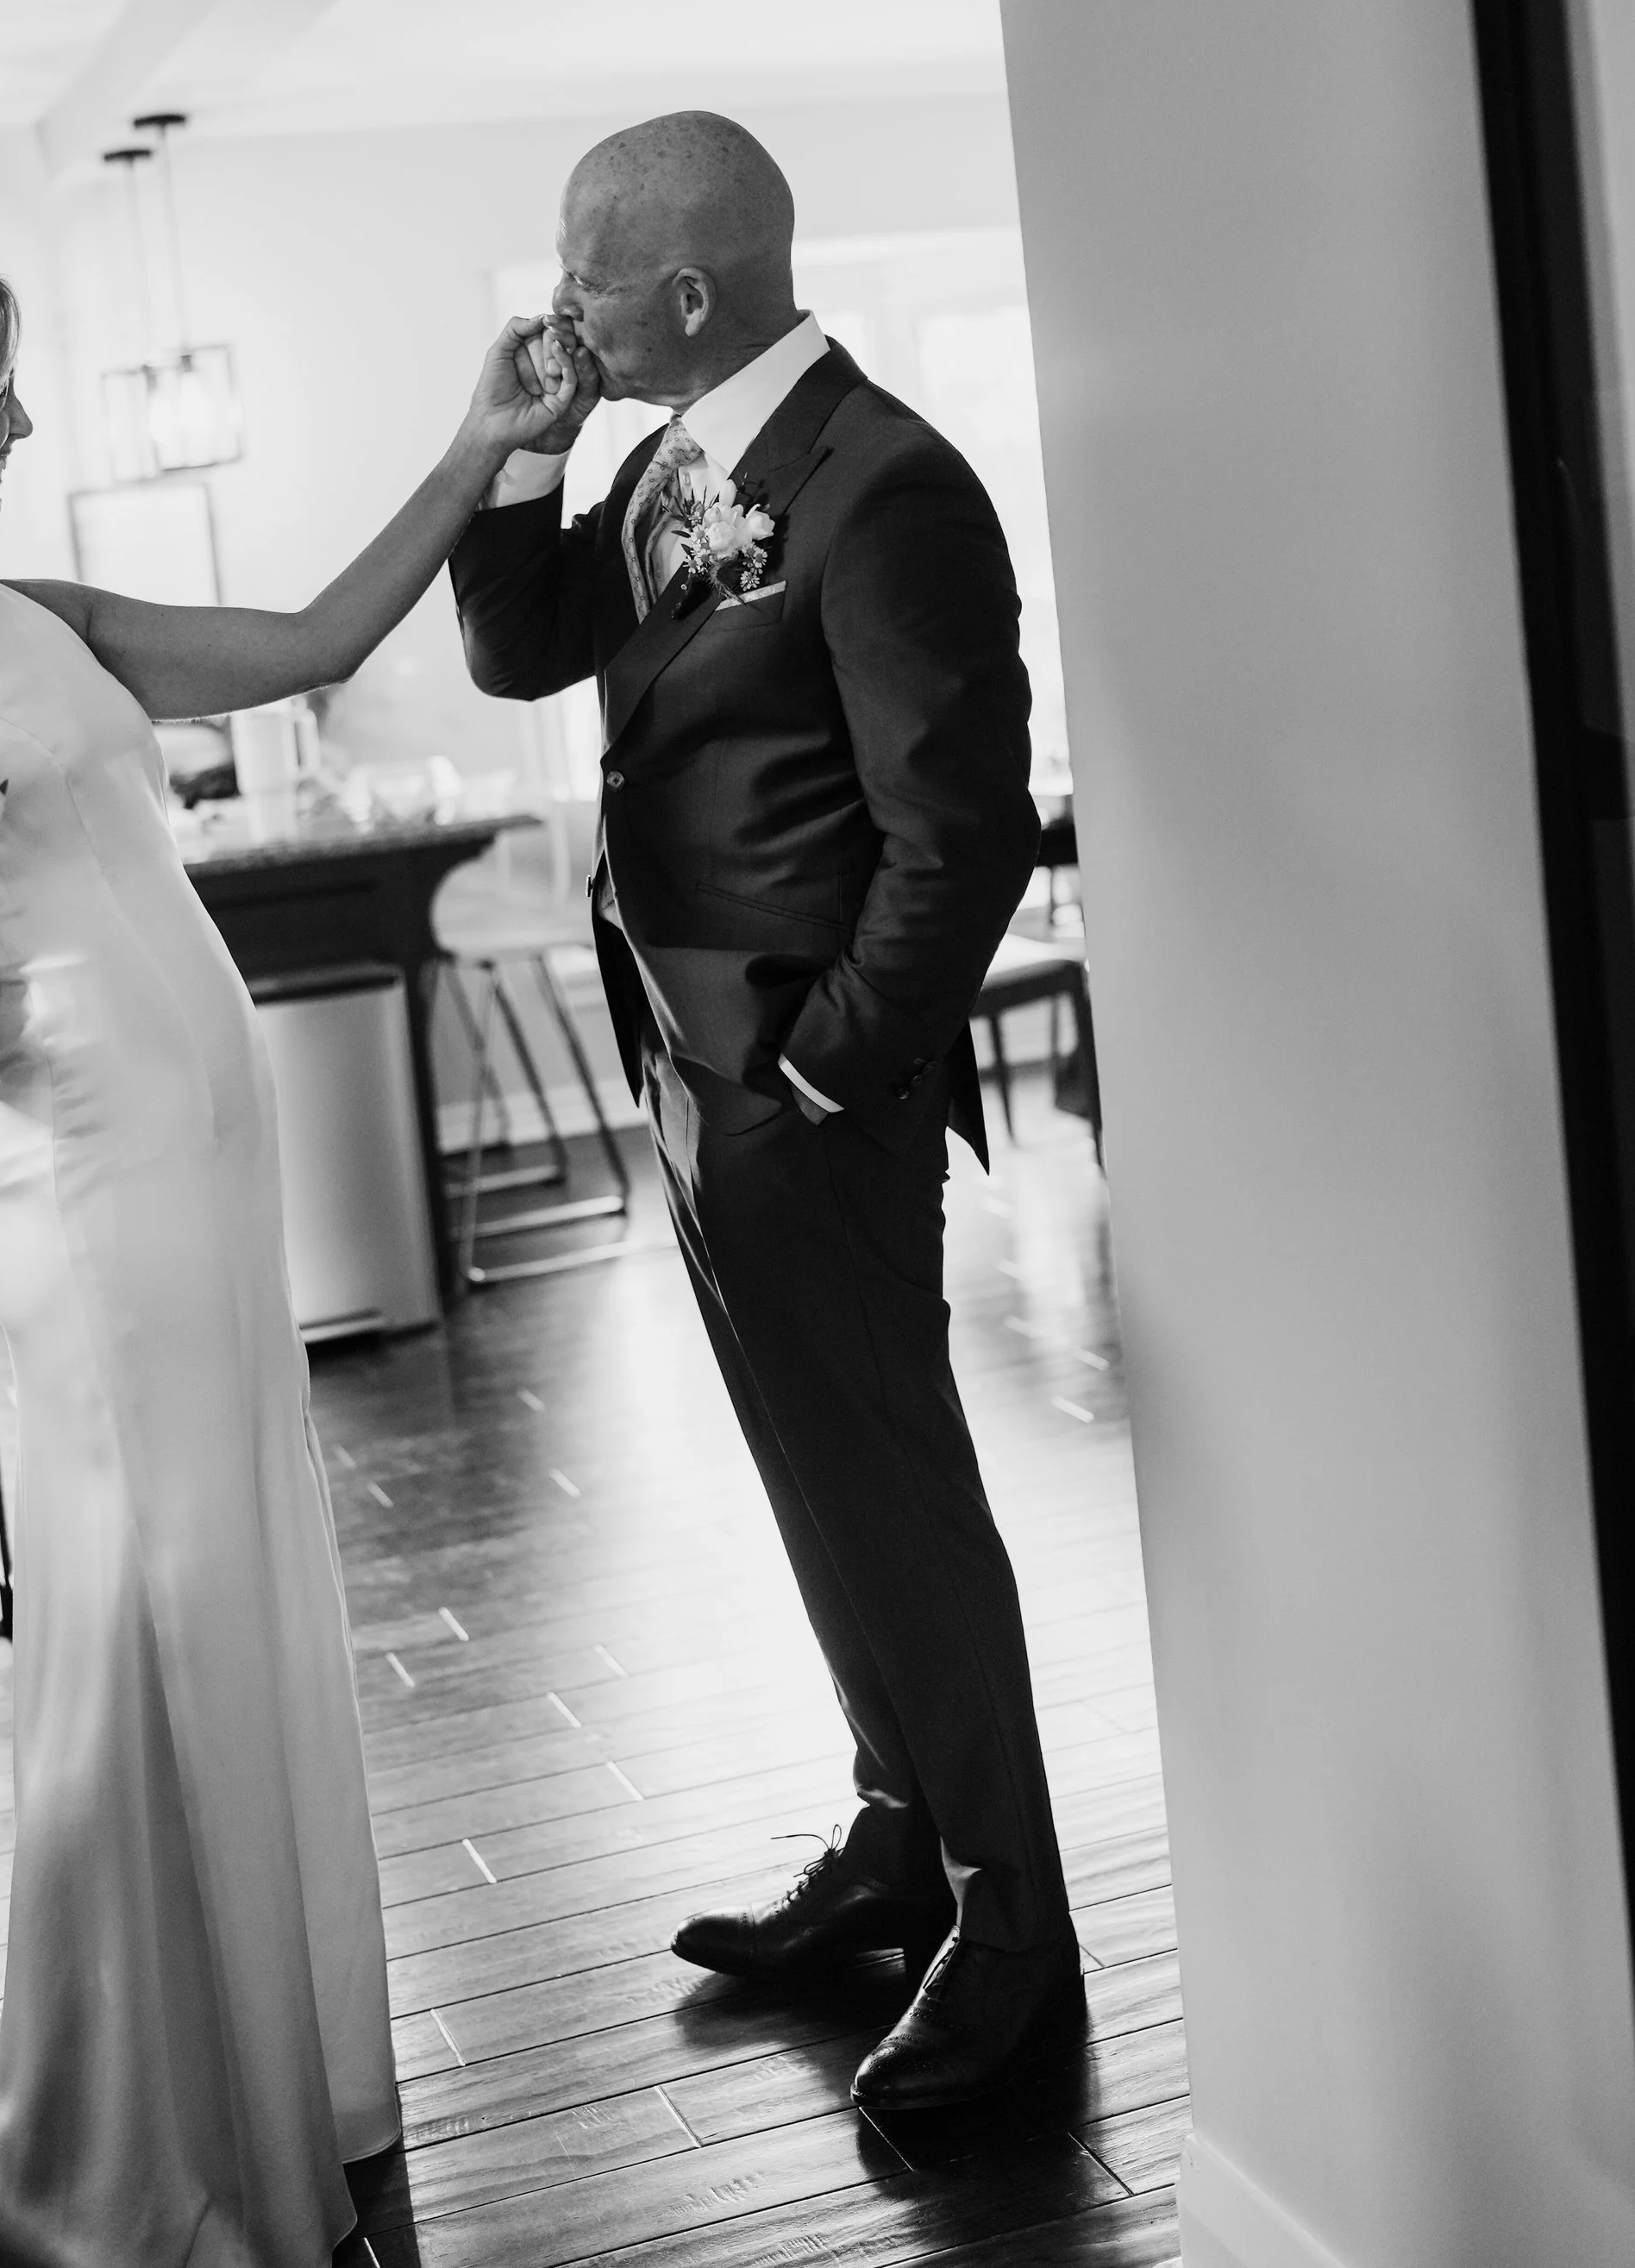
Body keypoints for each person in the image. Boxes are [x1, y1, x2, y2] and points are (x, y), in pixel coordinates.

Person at [0, 250, 579, 2268]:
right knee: (152, 1585)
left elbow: (310, 640)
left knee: (232, 1566)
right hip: (93, 1161)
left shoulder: (19, 608)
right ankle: (145, 2124)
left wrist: (478, 442)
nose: (25, 426)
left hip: (197, 1140)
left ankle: (290, 2072)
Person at [450, 113, 1081, 2110]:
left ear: (686, 286)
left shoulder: (882, 485)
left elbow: (959, 828)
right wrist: (520, 454)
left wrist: (820, 1061)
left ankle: (1013, 1926)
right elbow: (515, 647)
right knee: (811, 1481)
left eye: (583, 273)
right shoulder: (661, 468)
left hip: (809, 1085)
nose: (560, 303)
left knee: (893, 1492)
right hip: (687, 1060)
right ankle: (897, 1835)